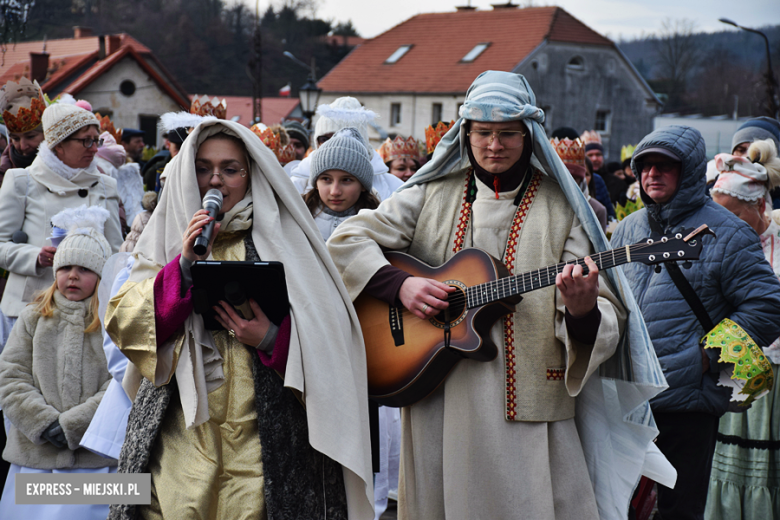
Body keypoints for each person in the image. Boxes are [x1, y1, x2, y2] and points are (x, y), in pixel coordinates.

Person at [328, 71, 670, 519]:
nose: (494, 145)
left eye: (507, 133)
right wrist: (402, 285)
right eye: (483, 133)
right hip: (437, 394)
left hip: (527, 403)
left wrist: (584, 311)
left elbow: (605, 312)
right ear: (465, 134)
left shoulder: (563, 208)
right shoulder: (430, 195)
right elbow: (346, 240)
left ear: (529, 136)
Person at [104, 119, 373, 519]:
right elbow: (126, 323)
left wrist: (272, 339)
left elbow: (331, 342)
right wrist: (184, 266)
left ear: (251, 174)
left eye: (230, 169)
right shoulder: (165, 234)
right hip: (181, 430)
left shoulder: (289, 238)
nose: (216, 181)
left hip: (266, 434)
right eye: (203, 168)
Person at [611, 125, 780, 520]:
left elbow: (768, 304)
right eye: (645, 165)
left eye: (664, 166)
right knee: (620, 508)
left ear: (687, 171)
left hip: (688, 404)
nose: (652, 174)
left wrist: (704, 359)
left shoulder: (729, 231)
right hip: (629, 399)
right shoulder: (626, 230)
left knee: (677, 512)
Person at [0, 205, 116, 520]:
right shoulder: (32, 317)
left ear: (101, 276)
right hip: (34, 455)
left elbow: (119, 385)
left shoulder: (112, 322)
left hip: (95, 460)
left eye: (84, 269)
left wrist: (75, 425)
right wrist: (43, 422)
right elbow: (11, 376)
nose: (73, 275)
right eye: (65, 268)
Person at [706, 139, 780, 520]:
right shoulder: (719, 246)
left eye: (733, 216)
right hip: (731, 372)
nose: (724, 226)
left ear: (759, 206)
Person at [0, 102, 123, 330]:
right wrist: (35, 257)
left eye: (96, 140)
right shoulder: (21, 181)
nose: (95, 149)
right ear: (59, 145)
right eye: (86, 140)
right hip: (29, 309)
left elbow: (116, 253)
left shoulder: (106, 185)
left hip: (88, 313)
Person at [289, 97, 403, 200]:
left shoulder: (395, 189)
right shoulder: (297, 183)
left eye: (345, 139)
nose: (334, 146)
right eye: (325, 139)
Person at [303, 128, 379, 241]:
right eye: (326, 179)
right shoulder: (297, 216)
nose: (335, 192)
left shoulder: (378, 225)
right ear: (316, 183)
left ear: (363, 185)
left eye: (347, 180)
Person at [552, 137, 607, 231]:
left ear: (581, 179)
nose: (569, 182)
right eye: (564, 177)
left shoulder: (596, 209)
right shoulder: (545, 203)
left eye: (574, 178)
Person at [0, 78, 46, 178]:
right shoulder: (3, 174)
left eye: (30, 137)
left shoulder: (71, 166)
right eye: (16, 139)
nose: (22, 146)